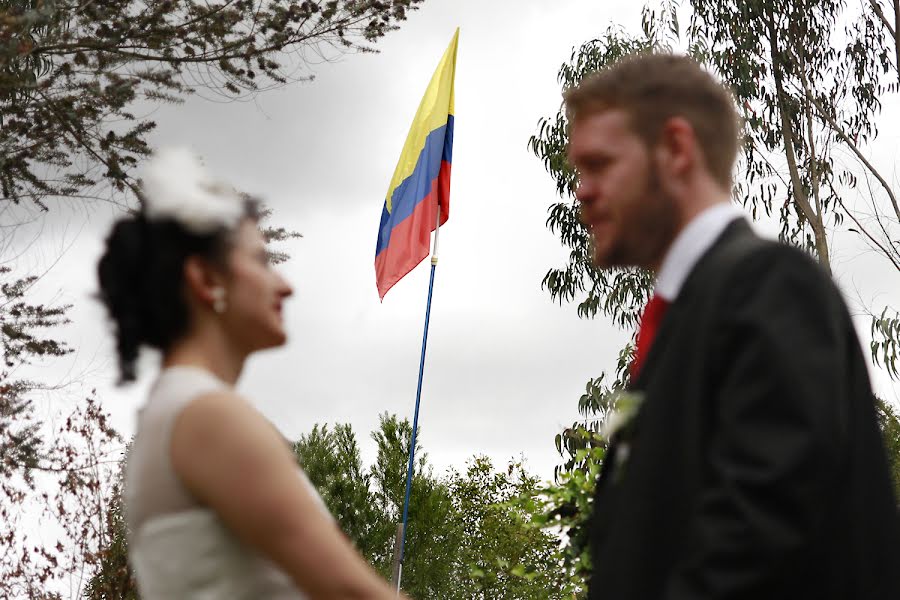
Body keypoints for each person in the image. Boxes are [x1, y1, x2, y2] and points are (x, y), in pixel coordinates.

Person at [565, 53, 900, 599]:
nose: (581, 189)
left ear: (676, 149)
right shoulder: (687, 319)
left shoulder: (772, 286)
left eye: (598, 164)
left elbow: (756, 554)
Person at [97, 148, 404, 599]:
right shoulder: (209, 416)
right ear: (205, 280)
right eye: (262, 261)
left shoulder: (174, 412)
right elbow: (351, 592)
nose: (286, 285)